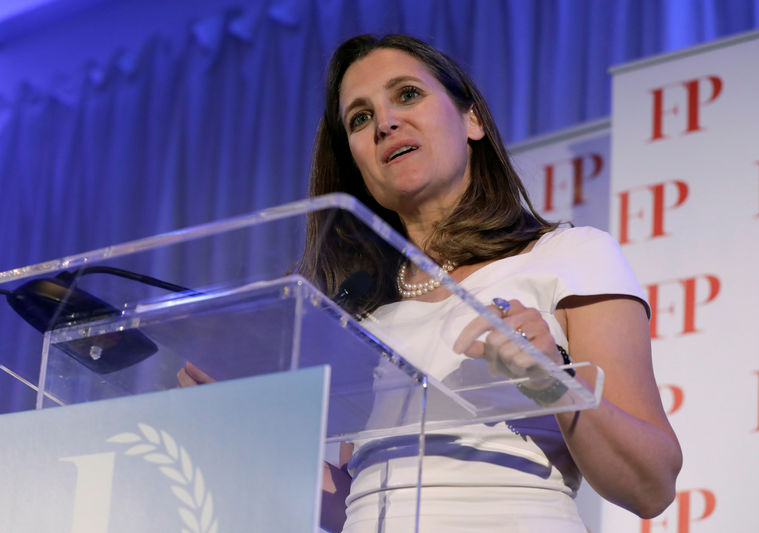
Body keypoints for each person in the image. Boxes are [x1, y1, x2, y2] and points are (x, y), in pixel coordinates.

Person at [181, 33, 682, 533]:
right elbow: (358, 501)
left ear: (473, 120)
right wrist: (247, 438)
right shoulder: (359, 311)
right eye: (360, 118)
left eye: (407, 94)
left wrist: (552, 380)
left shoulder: (571, 255)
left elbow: (650, 486)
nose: (385, 123)